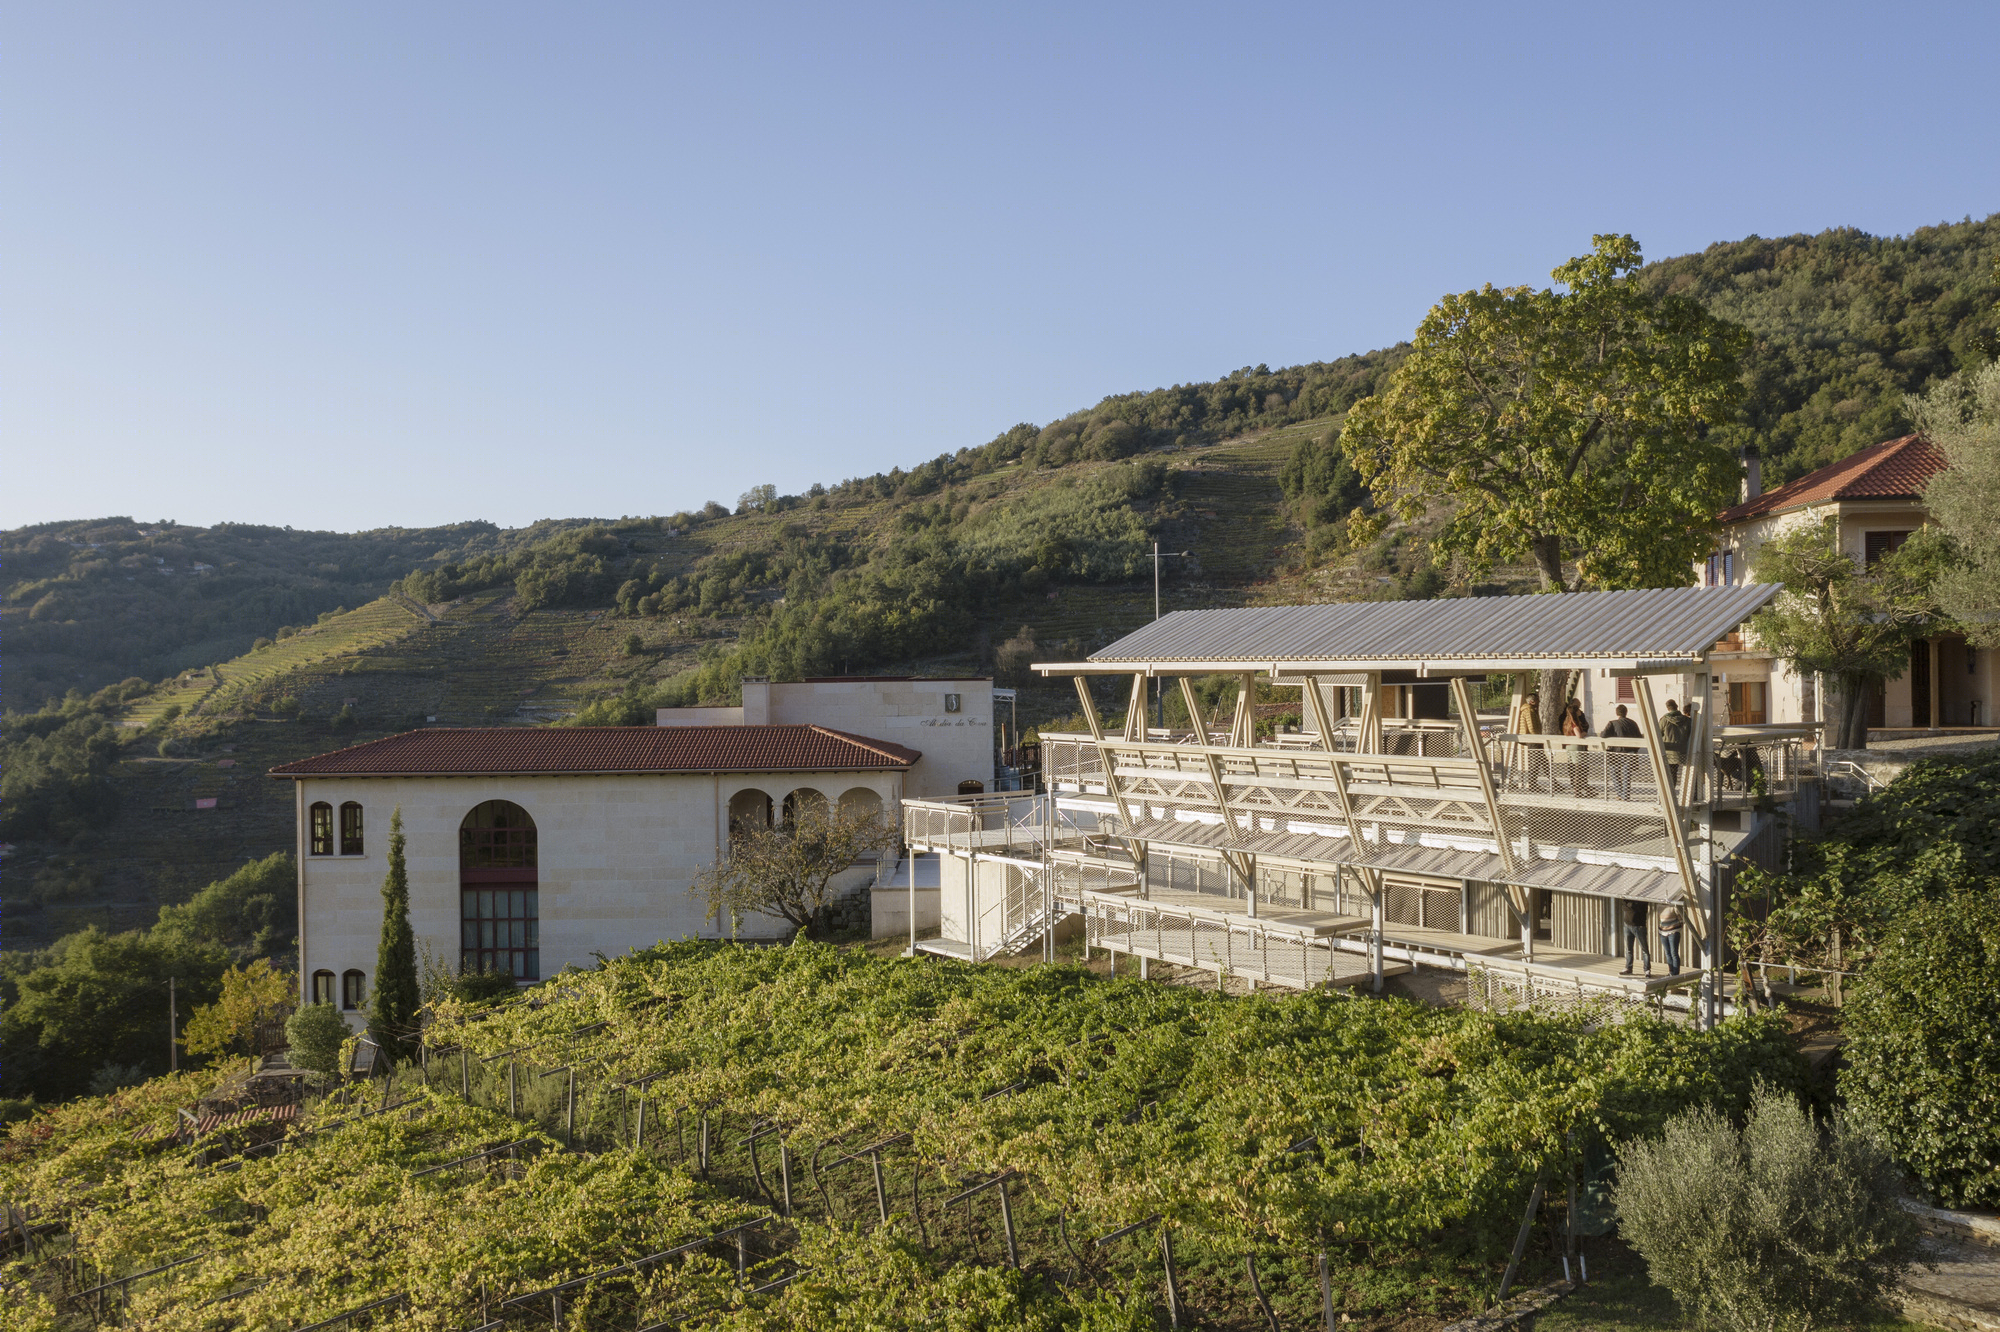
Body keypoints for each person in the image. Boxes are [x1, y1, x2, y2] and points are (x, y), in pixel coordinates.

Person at [1601, 704, 1643, 800]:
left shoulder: (1612, 723)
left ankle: (1621, 794)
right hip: (1630, 752)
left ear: (1617, 713)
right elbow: (1639, 738)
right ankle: (1625, 795)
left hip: (1616, 753)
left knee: (1614, 773)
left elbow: (1603, 735)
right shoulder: (1633, 723)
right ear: (1626, 712)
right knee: (1626, 775)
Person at [1562, 699, 1596, 797]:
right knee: (1579, 769)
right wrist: (1584, 733)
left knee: (1575, 768)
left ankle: (1580, 789)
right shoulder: (1574, 723)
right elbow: (1578, 735)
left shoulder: (1566, 722)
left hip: (1569, 746)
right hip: (1576, 747)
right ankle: (1577, 792)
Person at [1659, 698, 1691, 801]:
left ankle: (1670, 795)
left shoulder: (1664, 720)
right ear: (1677, 707)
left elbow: (1658, 734)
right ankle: (1688, 795)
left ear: (1668, 708)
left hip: (1669, 751)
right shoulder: (1686, 720)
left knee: (1670, 772)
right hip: (1683, 750)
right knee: (1683, 772)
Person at [1620, 898, 1651, 978]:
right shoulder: (1627, 897)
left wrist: (1630, 905)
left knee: (1644, 949)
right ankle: (1628, 967)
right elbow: (1624, 907)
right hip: (1627, 925)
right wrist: (1631, 906)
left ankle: (1647, 969)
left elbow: (1641, 909)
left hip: (1639, 926)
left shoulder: (1643, 899)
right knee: (1629, 948)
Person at [1657, 900, 1683, 977]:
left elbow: (1681, 918)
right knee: (1667, 953)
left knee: (1674, 953)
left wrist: (1677, 928)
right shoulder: (1659, 906)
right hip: (1663, 932)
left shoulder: (1674, 906)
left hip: (1673, 932)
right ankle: (1671, 971)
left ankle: (1676, 973)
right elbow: (1660, 919)